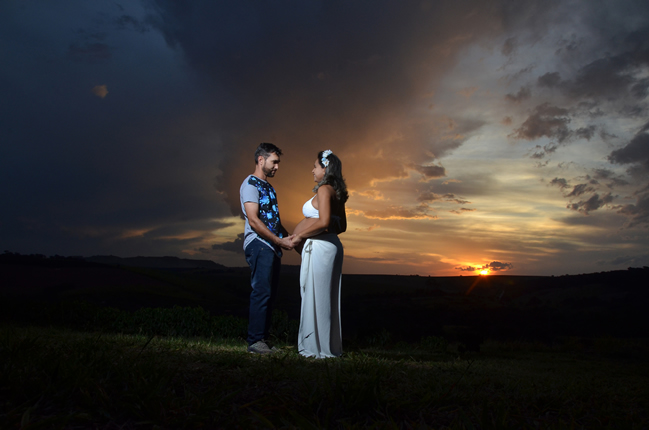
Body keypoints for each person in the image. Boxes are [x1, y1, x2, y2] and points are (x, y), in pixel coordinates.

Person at [290, 149, 348, 358]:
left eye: (315, 166)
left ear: (325, 168)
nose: (312, 170)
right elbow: (342, 226)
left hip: (322, 249)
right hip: (330, 247)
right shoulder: (337, 193)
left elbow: (323, 222)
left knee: (318, 298)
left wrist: (299, 235)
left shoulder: (324, 190)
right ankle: (324, 345)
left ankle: (316, 349)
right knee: (324, 298)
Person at [240, 143, 294, 354]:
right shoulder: (250, 184)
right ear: (261, 160)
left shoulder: (269, 187)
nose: (277, 167)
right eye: (274, 162)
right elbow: (254, 221)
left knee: (269, 294)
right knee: (261, 292)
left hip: (272, 247)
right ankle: (255, 342)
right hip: (259, 244)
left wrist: (289, 238)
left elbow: (273, 221)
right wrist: (280, 242)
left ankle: (263, 340)